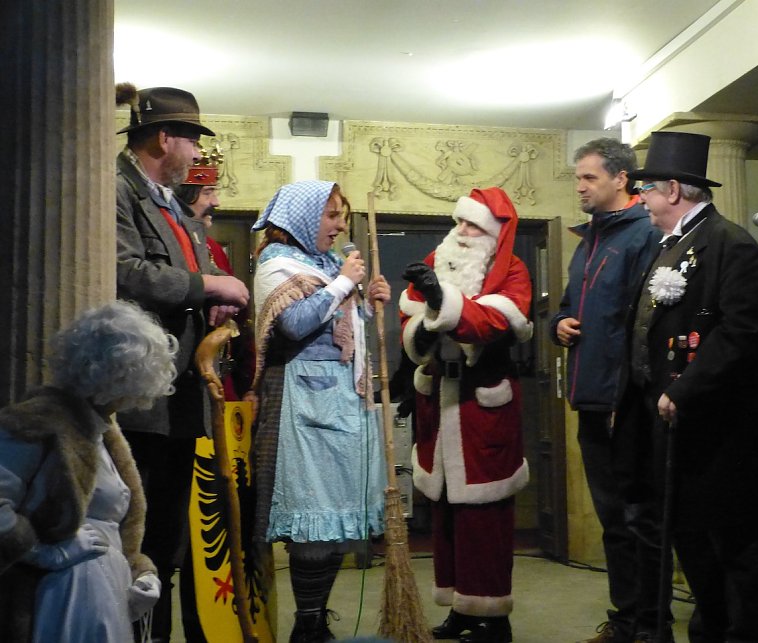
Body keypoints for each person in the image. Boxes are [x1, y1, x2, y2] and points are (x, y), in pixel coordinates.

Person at [617, 131, 758, 642]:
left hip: (723, 435)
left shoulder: (730, 245)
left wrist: (686, 389)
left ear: (674, 190)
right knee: (691, 542)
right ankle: (711, 630)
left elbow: (742, 334)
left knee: (735, 550)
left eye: (647, 190)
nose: (642, 200)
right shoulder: (671, 246)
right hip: (674, 429)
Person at [115, 84, 250, 642]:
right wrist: (207, 282)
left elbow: (183, 276)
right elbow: (121, 270)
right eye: (191, 140)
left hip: (178, 394)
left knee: (164, 542)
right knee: (137, 541)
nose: (197, 155)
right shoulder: (117, 190)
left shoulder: (170, 202)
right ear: (165, 137)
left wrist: (209, 298)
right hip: (141, 398)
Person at [250, 180, 389, 643]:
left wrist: (367, 304)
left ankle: (314, 618)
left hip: (343, 404)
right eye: (331, 216)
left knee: (333, 519)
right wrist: (347, 282)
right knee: (314, 518)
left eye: (342, 216)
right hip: (305, 404)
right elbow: (293, 324)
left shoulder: (328, 263)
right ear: (303, 218)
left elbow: (341, 328)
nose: (340, 225)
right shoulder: (277, 262)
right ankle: (307, 623)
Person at [399, 187, 532, 643]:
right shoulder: (437, 259)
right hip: (440, 400)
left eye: (473, 225)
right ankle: (460, 607)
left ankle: (494, 618)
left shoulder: (511, 270)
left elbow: (496, 324)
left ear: (492, 234)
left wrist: (443, 302)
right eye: (460, 222)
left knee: (485, 520)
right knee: (447, 516)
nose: (461, 231)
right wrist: (425, 314)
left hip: (483, 407)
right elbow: (410, 322)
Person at [0, 300, 176, 642]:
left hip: (105, 594)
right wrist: (44, 552)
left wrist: (139, 570)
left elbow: (118, 522)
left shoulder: (102, 430)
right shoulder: (39, 422)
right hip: (62, 598)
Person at [549, 138, 663, 643]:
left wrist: (626, 394)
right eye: (578, 178)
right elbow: (570, 303)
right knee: (613, 522)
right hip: (590, 396)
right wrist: (559, 323)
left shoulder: (643, 236)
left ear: (622, 179)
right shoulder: (590, 240)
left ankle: (648, 625)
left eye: (589, 178)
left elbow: (645, 323)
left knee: (639, 519)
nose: (580, 187)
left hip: (625, 401)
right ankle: (625, 618)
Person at [176, 150, 256, 403]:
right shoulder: (174, 244)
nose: (217, 201)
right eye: (207, 192)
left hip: (219, 375)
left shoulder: (214, 249)